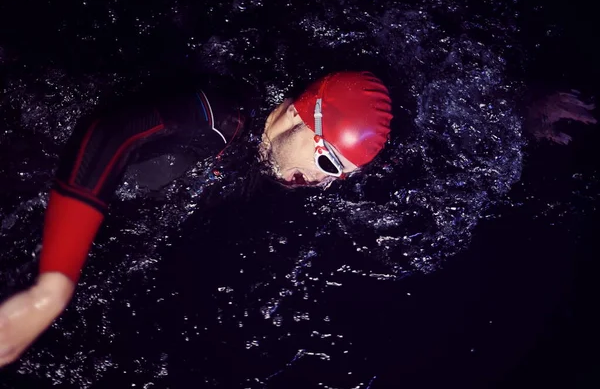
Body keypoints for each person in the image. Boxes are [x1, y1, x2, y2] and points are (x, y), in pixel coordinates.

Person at [0, 71, 394, 366]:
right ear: (296, 116)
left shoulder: (263, 161)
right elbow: (112, 131)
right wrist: (52, 288)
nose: (321, 182)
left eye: (339, 177)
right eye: (327, 161)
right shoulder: (224, 119)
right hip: (27, 160)